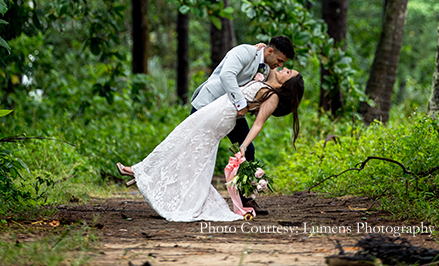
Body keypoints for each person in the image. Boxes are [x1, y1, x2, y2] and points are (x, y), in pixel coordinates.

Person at [116, 65, 304, 222]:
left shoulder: (273, 97)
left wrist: (244, 146)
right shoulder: (264, 81)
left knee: (191, 151)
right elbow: (264, 64)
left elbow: (257, 125)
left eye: (288, 73)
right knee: (180, 139)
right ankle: (142, 170)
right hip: (215, 109)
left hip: (221, 118)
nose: (284, 68)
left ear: (286, 85)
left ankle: (144, 173)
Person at [190, 35, 295, 215]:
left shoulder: (265, 65)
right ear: (270, 51)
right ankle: (190, 197)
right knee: (194, 151)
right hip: (208, 105)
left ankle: (246, 201)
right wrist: (241, 104)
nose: (279, 65)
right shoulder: (245, 51)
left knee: (248, 150)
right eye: (279, 60)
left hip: (232, 113)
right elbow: (227, 75)